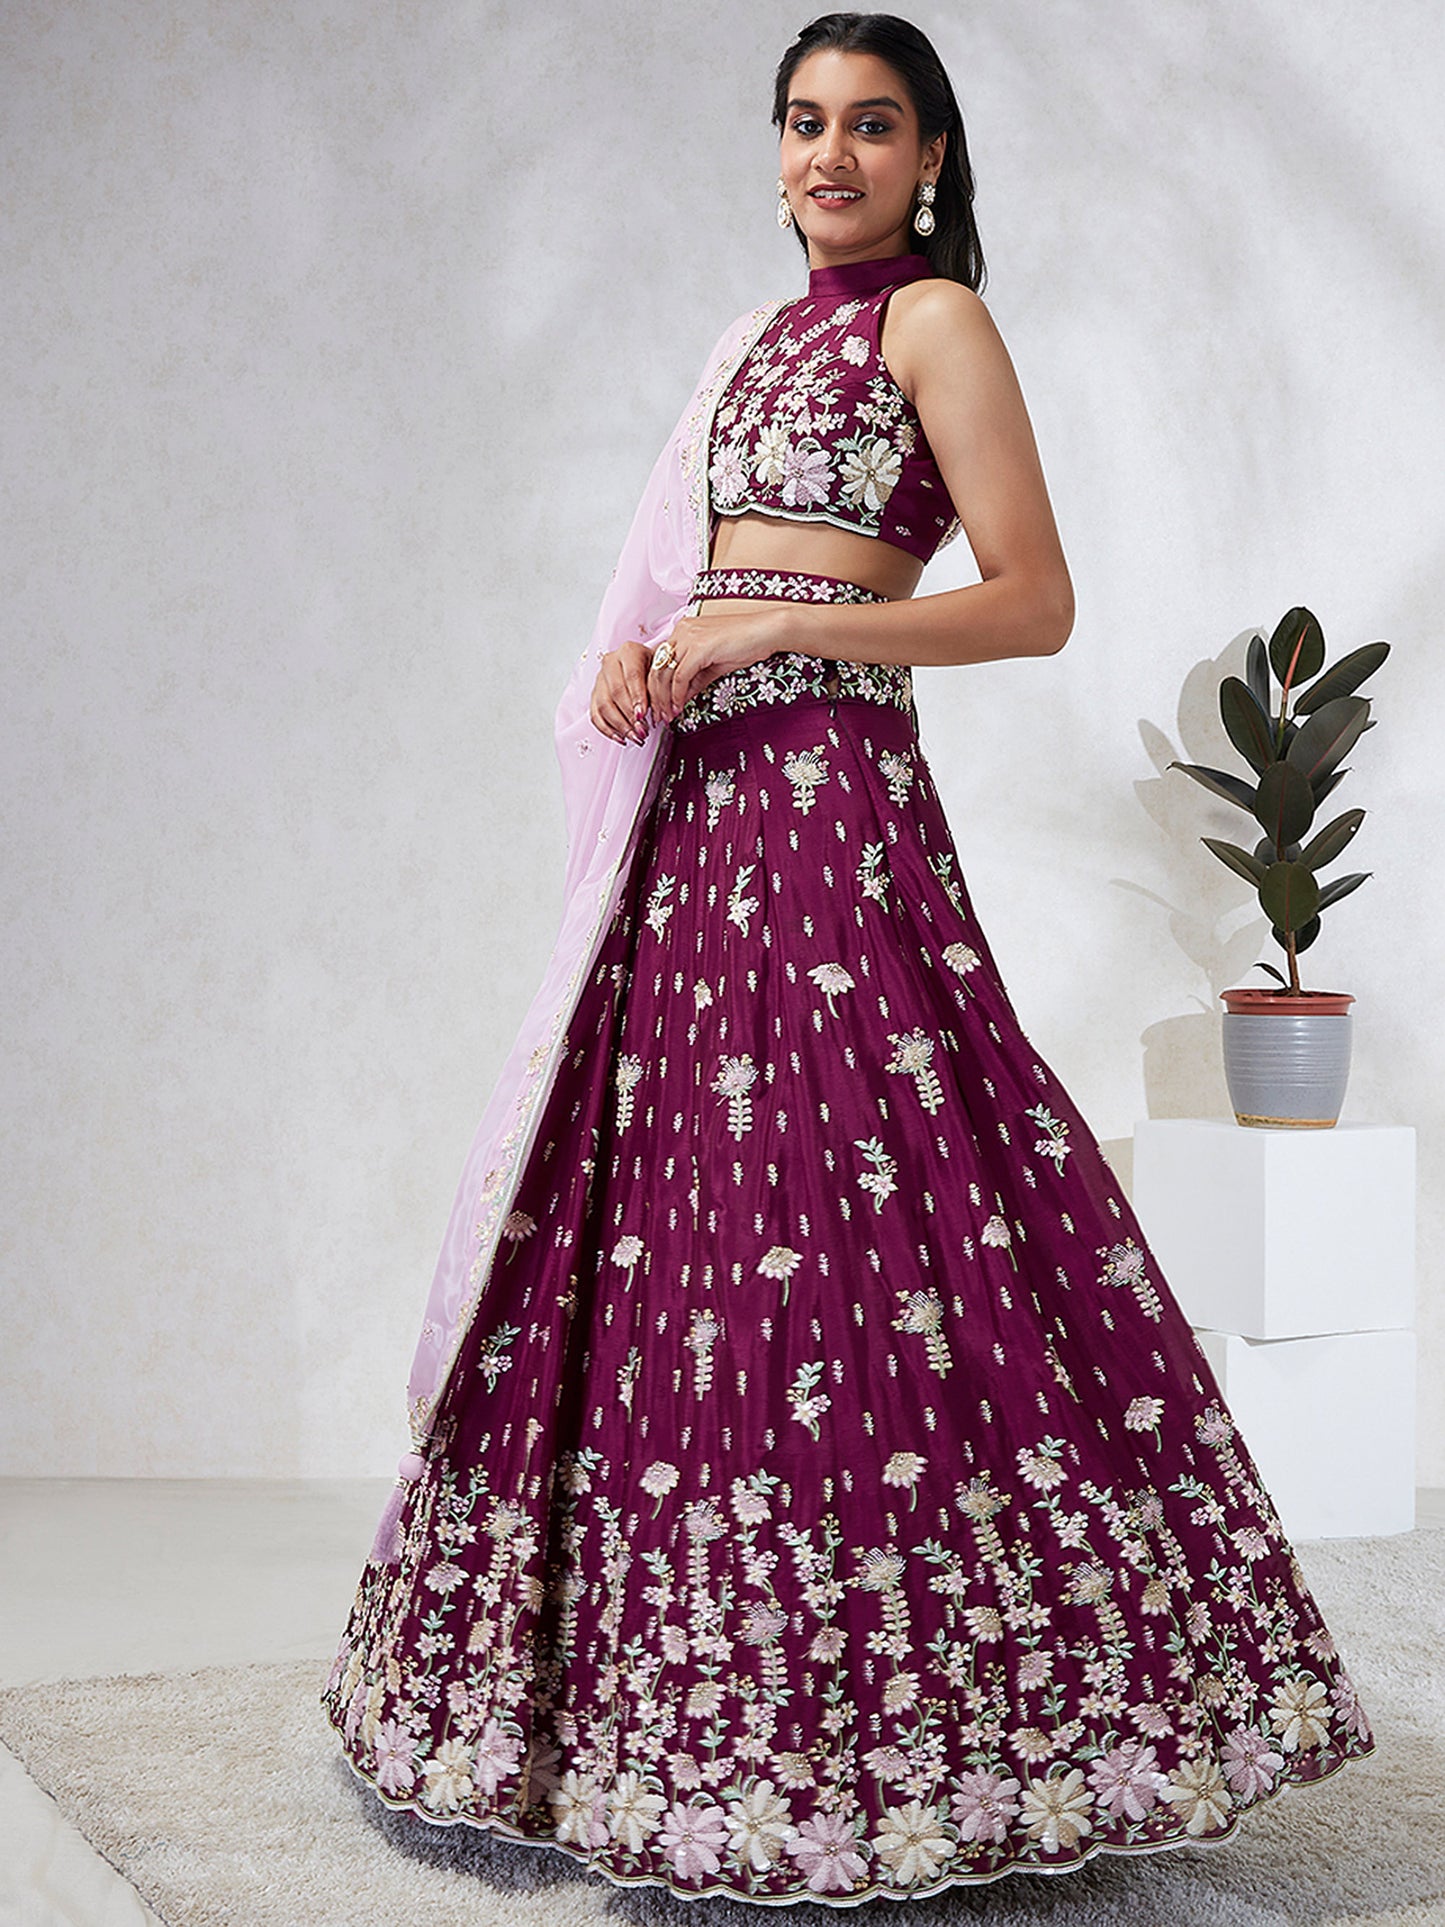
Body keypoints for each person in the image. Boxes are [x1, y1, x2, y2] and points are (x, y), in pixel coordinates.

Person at [322, 12, 1376, 1904]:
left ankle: (923, 1717)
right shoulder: (747, 342)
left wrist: (780, 629)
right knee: (667, 1221)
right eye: (803, 122)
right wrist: (651, 656)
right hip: (695, 822)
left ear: (931, 156)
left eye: (871, 125)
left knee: (861, 1205)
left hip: (824, 810)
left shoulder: (933, 323)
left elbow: (1031, 601)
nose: (829, 156)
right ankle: (640, 1723)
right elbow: (697, 583)